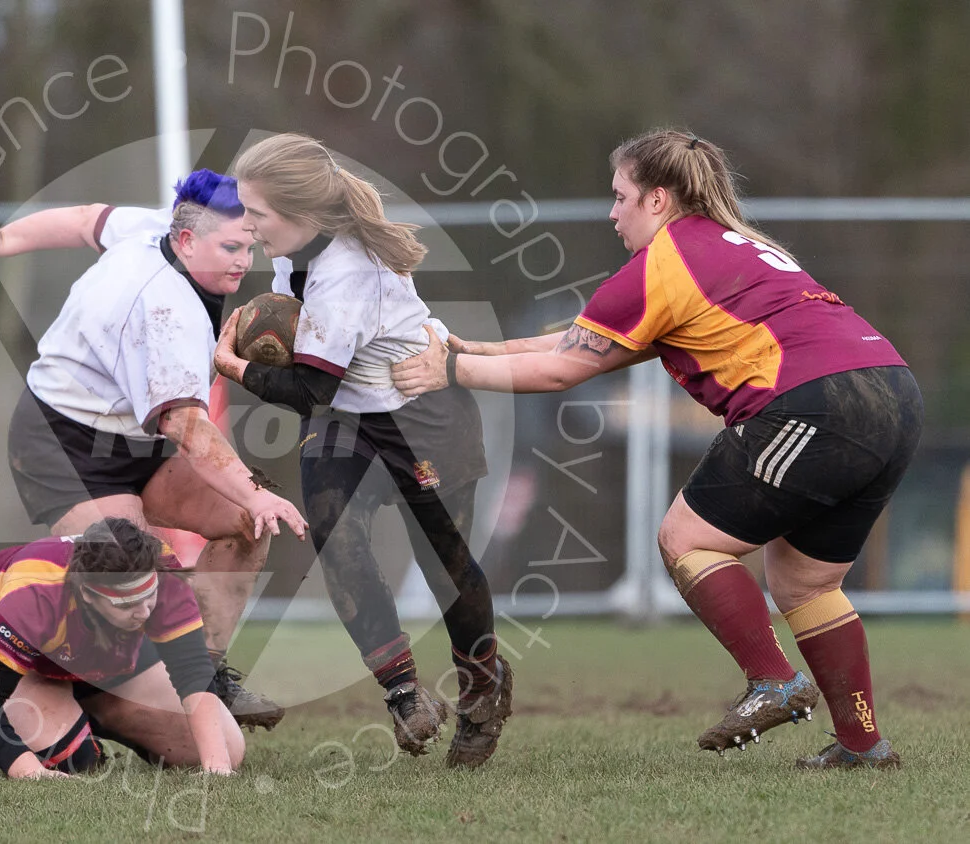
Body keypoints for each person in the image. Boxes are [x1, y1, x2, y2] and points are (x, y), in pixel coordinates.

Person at [392, 128, 919, 770]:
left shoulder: (662, 266)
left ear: (659, 198)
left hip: (814, 402)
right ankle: (864, 745)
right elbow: (576, 346)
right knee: (805, 581)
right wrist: (467, 350)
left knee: (685, 538)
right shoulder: (730, 247)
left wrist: (448, 373)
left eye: (620, 197)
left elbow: (562, 373)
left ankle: (773, 679)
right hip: (892, 391)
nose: (612, 212)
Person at [0, 171, 308, 731]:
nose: (242, 261)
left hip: (137, 440)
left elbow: (88, 218)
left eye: (248, 246)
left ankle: (201, 673)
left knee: (244, 524)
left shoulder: (159, 227)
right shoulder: (164, 310)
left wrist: (3, 240)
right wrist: (256, 493)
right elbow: (187, 426)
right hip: (63, 444)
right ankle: (33, 687)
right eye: (231, 248)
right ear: (187, 241)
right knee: (133, 572)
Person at [210, 133, 513, 768]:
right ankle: (404, 692)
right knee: (333, 531)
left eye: (257, 214)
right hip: (350, 415)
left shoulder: (346, 272)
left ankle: (484, 688)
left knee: (444, 568)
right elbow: (323, 384)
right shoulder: (298, 251)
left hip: (422, 418)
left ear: (302, 212)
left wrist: (232, 365)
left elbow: (307, 387)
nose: (249, 226)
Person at [0, 517, 245, 778]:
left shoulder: (160, 570)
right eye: (126, 603)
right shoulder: (35, 597)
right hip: (2, 652)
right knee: (76, 760)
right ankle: (72, 719)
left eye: (148, 595)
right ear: (88, 594)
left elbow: (192, 670)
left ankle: (98, 713)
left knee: (229, 750)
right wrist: (30, 772)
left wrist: (216, 768)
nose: (143, 613)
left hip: (94, 651)